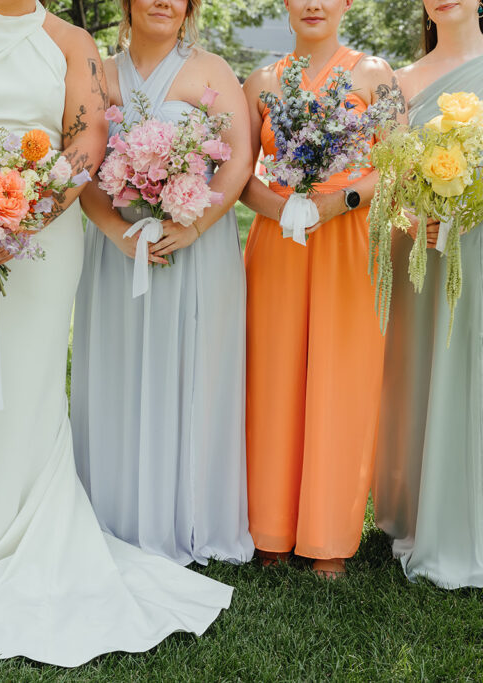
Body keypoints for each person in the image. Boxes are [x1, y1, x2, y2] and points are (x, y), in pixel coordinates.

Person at [0, 0, 233, 667]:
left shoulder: (72, 43)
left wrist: (21, 216)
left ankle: (31, 521)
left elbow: (84, 140)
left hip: (42, 229)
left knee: (31, 374)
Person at [71, 0, 254, 567]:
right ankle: (116, 513)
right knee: (118, 368)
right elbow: (78, 162)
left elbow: (239, 157)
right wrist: (116, 232)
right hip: (118, 250)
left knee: (191, 368)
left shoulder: (212, 69)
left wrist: (193, 224)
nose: (163, 1)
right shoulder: (97, 73)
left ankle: (190, 516)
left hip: (194, 248)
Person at [240, 0, 400, 578]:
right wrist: (285, 208)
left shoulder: (375, 74)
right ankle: (272, 529)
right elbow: (239, 173)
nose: (313, 4)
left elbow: (398, 162)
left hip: (349, 238)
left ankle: (329, 534)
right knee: (274, 374)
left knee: (342, 376)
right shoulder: (258, 80)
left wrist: (338, 201)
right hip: (280, 239)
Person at [373, 0, 483, 590]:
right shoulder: (400, 81)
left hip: (480, 248)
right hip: (423, 250)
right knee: (423, 371)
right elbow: (384, 174)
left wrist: (471, 210)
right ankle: (423, 509)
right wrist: (421, 215)